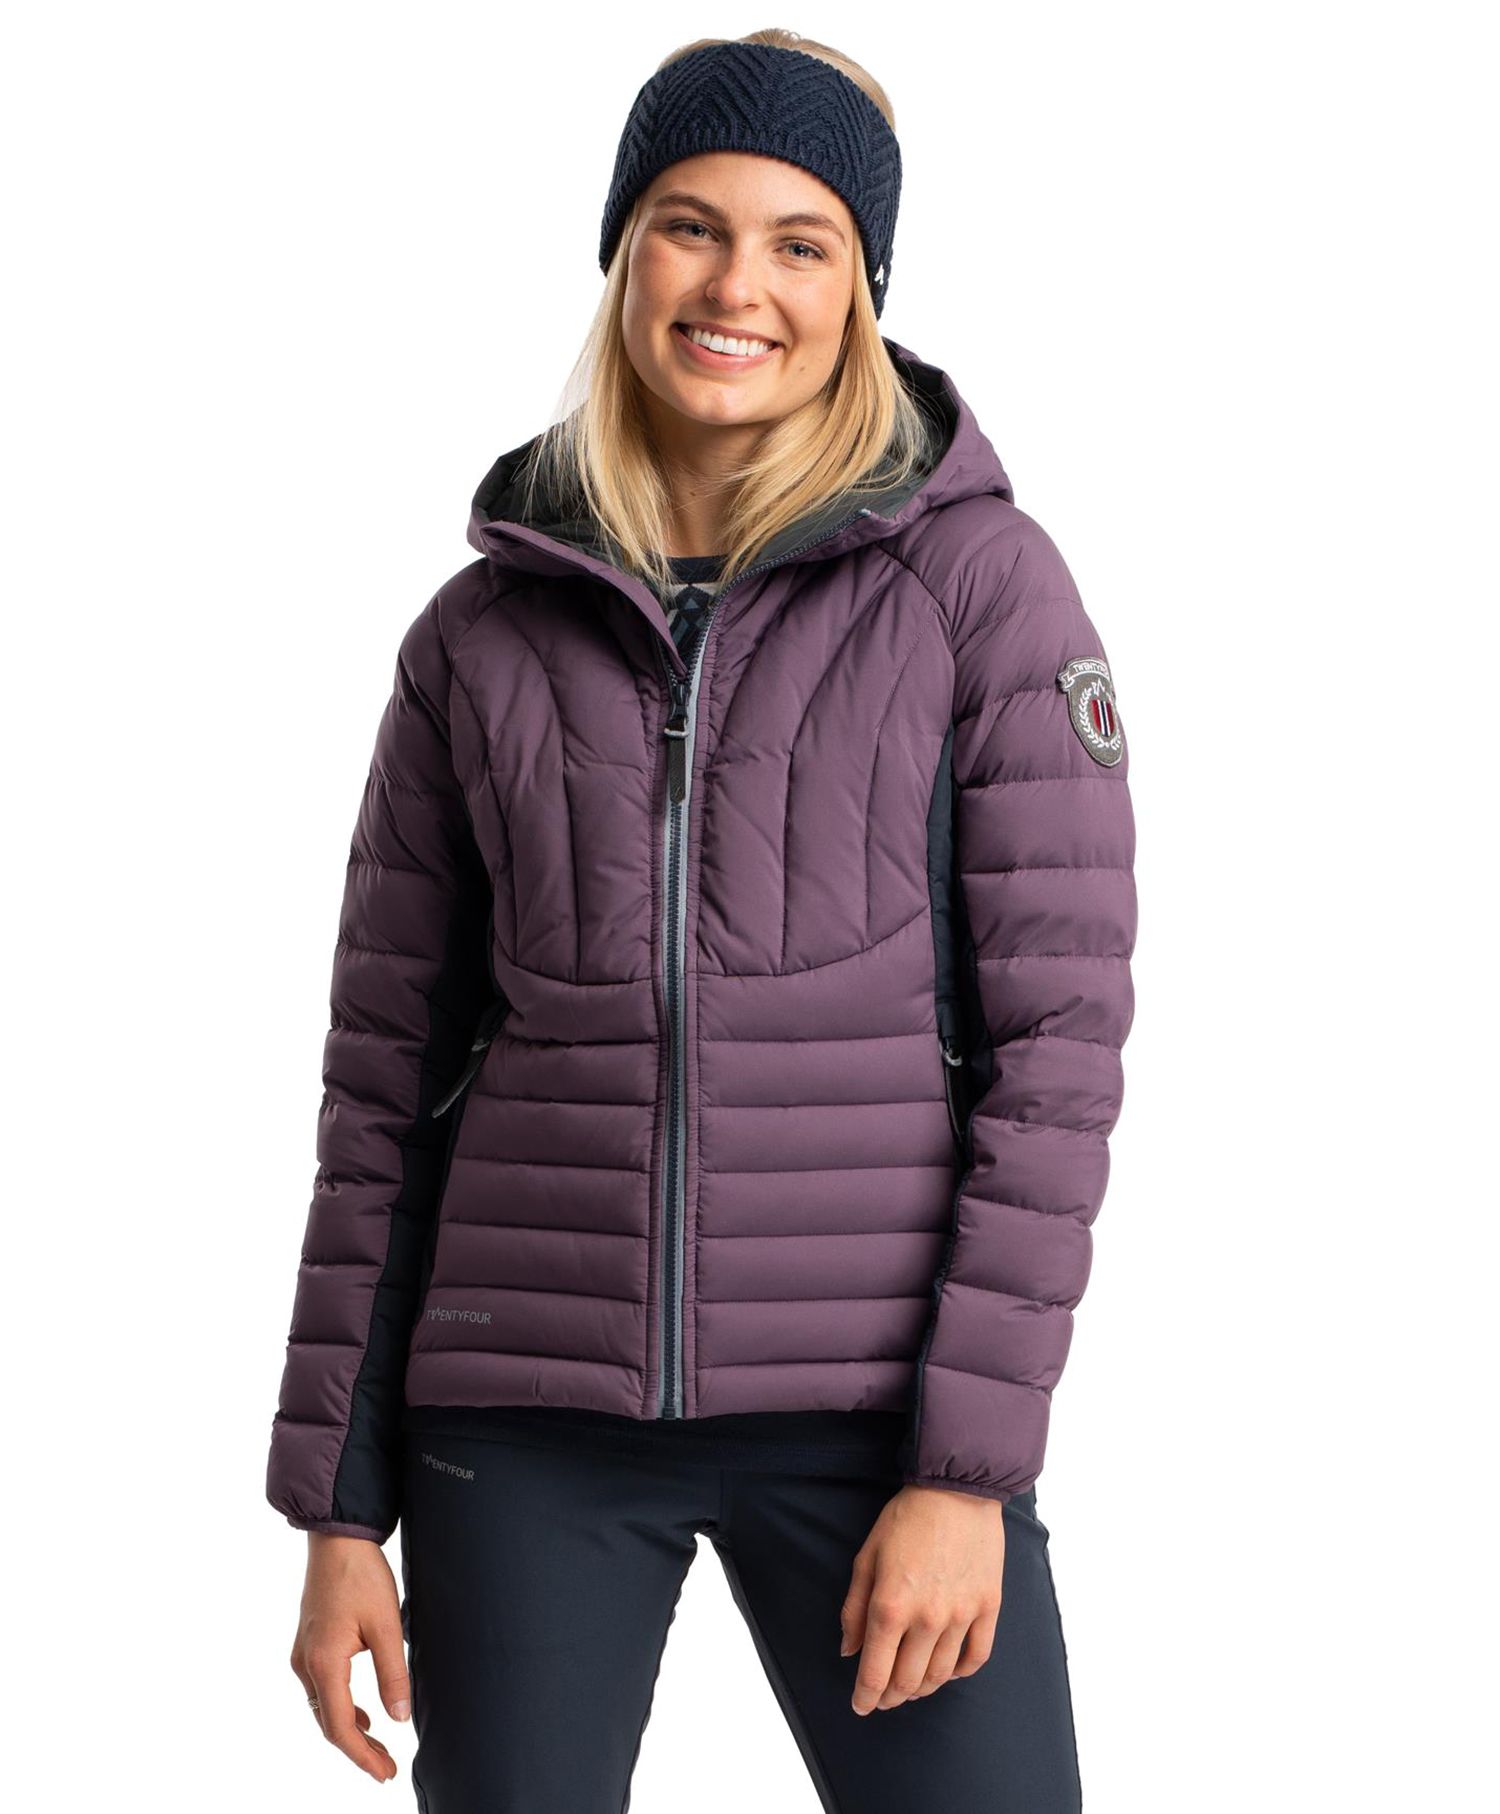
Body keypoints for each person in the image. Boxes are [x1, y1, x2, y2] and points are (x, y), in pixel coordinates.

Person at [265, 28, 1136, 1813]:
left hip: (876, 1421)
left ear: (860, 290)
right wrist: (340, 1509)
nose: (739, 286)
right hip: (523, 1421)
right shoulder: (477, 637)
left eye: (800, 242)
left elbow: (1057, 1062)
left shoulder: (978, 591)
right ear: (623, 254)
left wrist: (967, 1470)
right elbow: (383, 1087)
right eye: (690, 225)